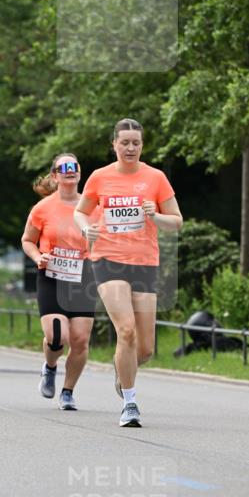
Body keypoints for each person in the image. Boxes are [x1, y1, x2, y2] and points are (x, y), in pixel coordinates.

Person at [74, 118, 183, 427]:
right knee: (127, 330)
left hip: (144, 262)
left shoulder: (155, 178)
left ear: (142, 145)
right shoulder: (99, 177)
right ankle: (130, 404)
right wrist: (87, 230)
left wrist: (156, 215)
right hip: (108, 258)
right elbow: (80, 211)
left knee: (145, 349)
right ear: (115, 145)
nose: (130, 147)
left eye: (136, 142)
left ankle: (124, 371)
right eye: (125, 142)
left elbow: (177, 221)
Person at [22, 153, 97, 411]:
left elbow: (105, 240)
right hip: (51, 274)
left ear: (79, 173)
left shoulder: (91, 207)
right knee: (57, 336)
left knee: (80, 340)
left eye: (74, 166)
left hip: (83, 276)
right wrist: (37, 256)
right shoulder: (42, 208)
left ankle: (68, 391)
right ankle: (50, 366)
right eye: (63, 167)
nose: (69, 171)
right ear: (55, 175)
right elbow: (27, 240)